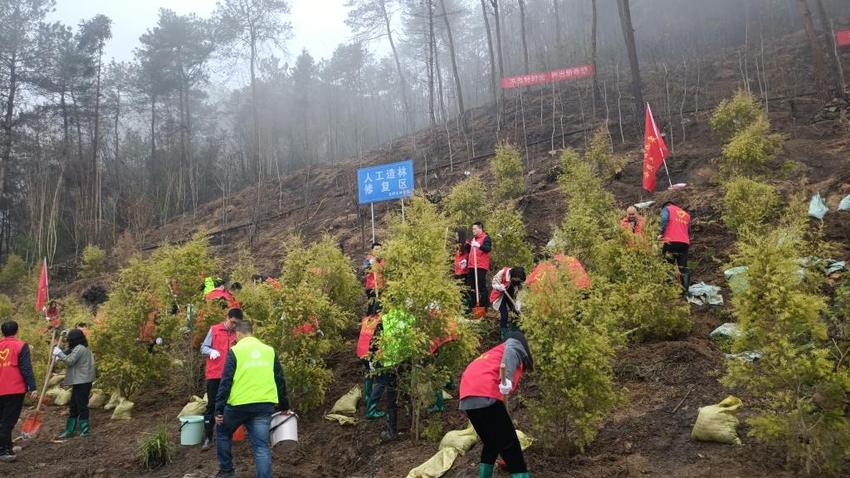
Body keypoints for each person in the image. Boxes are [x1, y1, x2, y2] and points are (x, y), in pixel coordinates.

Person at [214, 320, 290, 478]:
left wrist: (219, 409)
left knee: (222, 432)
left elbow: (226, 381)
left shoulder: (235, 351)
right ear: (251, 332)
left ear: (239, 334)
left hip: (238, 406)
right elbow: (279, 379)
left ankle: (227, 472)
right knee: (261, 447)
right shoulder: (269, 350)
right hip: (263, 406)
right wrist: (284, 405)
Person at [459, 331, 534, 478]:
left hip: (468, 396)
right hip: (484, 391)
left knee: (492, 442)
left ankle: (484, 475)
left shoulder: (493, 354)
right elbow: (512, 351)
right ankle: (521, 475)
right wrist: (507, 379)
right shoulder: (514, 344)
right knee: (510, 444)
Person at [200, 308, 241, 451]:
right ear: (227, 318)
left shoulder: (237, 334)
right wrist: (210, 351)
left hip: (231, 375)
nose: (234, 326)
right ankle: (208, 437)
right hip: (215, 374)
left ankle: (227, 434)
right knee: (212, 406)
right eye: (232, 322)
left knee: (230, 404)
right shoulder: (215, 330)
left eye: (237, 324)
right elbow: (203, 347)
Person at [0, 321, 37, 463]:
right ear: (17, 331)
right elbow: (26, 368)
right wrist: (32, 387)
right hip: (14, 389)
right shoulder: (21, 346)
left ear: (3, 332)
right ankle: (3, 451)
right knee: (8, 421)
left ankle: (7, 446)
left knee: (2, 420)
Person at [52, 328, 96, 438]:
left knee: (81, 405)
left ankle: (84, 430)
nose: (69, 341)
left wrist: (60, 354)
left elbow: (69, 361)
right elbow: (70, 352)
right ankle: (70, 430)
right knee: (74, 405)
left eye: (70, 339)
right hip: (80, 381)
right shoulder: (79, 347)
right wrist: (60, 353)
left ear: (74, 339)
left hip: (83, 381)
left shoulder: (80, 348)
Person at [658, 201, 691, 295]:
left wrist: (660, 233)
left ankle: (670, 291)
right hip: (684, 243)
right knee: (683, 267)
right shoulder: (686, 214)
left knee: (668, 266)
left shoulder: (667, 209)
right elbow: (688, 230)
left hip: (670, 241)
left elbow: (664, 219)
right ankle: (685, 292)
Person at [490, 267, 527, 341]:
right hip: (500, 295)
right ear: (514, 276)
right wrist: (499, 287)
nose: (518, 282)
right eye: (517, 280)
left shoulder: (519, 282)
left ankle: (515, 330)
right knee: (504, 313)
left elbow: (520, 292)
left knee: (516, 312)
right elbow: (494, 282)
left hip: (511, 295)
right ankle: (504, 332)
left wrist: (518, 302)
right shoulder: (502, 272)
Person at [467, 222, 493, 310]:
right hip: (471, 266)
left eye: (474, 229)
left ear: (480, 228)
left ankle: (483, 306)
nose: (473, 231)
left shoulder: (486, 238)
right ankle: (473, 307)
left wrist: (479, 246)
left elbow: (488, 248)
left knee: (481, 286)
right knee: (472, 287)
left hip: (480, 266)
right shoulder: (474, 239)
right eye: (472, 229)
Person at [363, 242, 385, 317]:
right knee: (372, 307)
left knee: (381, 307)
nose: (378, 251)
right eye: (376, 249)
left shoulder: (383, 260)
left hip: (382, 287)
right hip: (372, 287)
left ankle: (379, 325)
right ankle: (369, 324)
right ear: (372, 250)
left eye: (379, 249)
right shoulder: (369, 260)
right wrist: (370, 264)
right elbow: (364, 269)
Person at [453, 228, 471, 310]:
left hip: (464, 271)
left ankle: (466, 307)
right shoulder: (456, 246)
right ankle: (458, 308)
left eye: (457, 235)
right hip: (457, 271)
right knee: (457, 289)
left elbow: (471, 255)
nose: (455, 237)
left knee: (464, 290)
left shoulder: (467, 245)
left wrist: (466, 260)